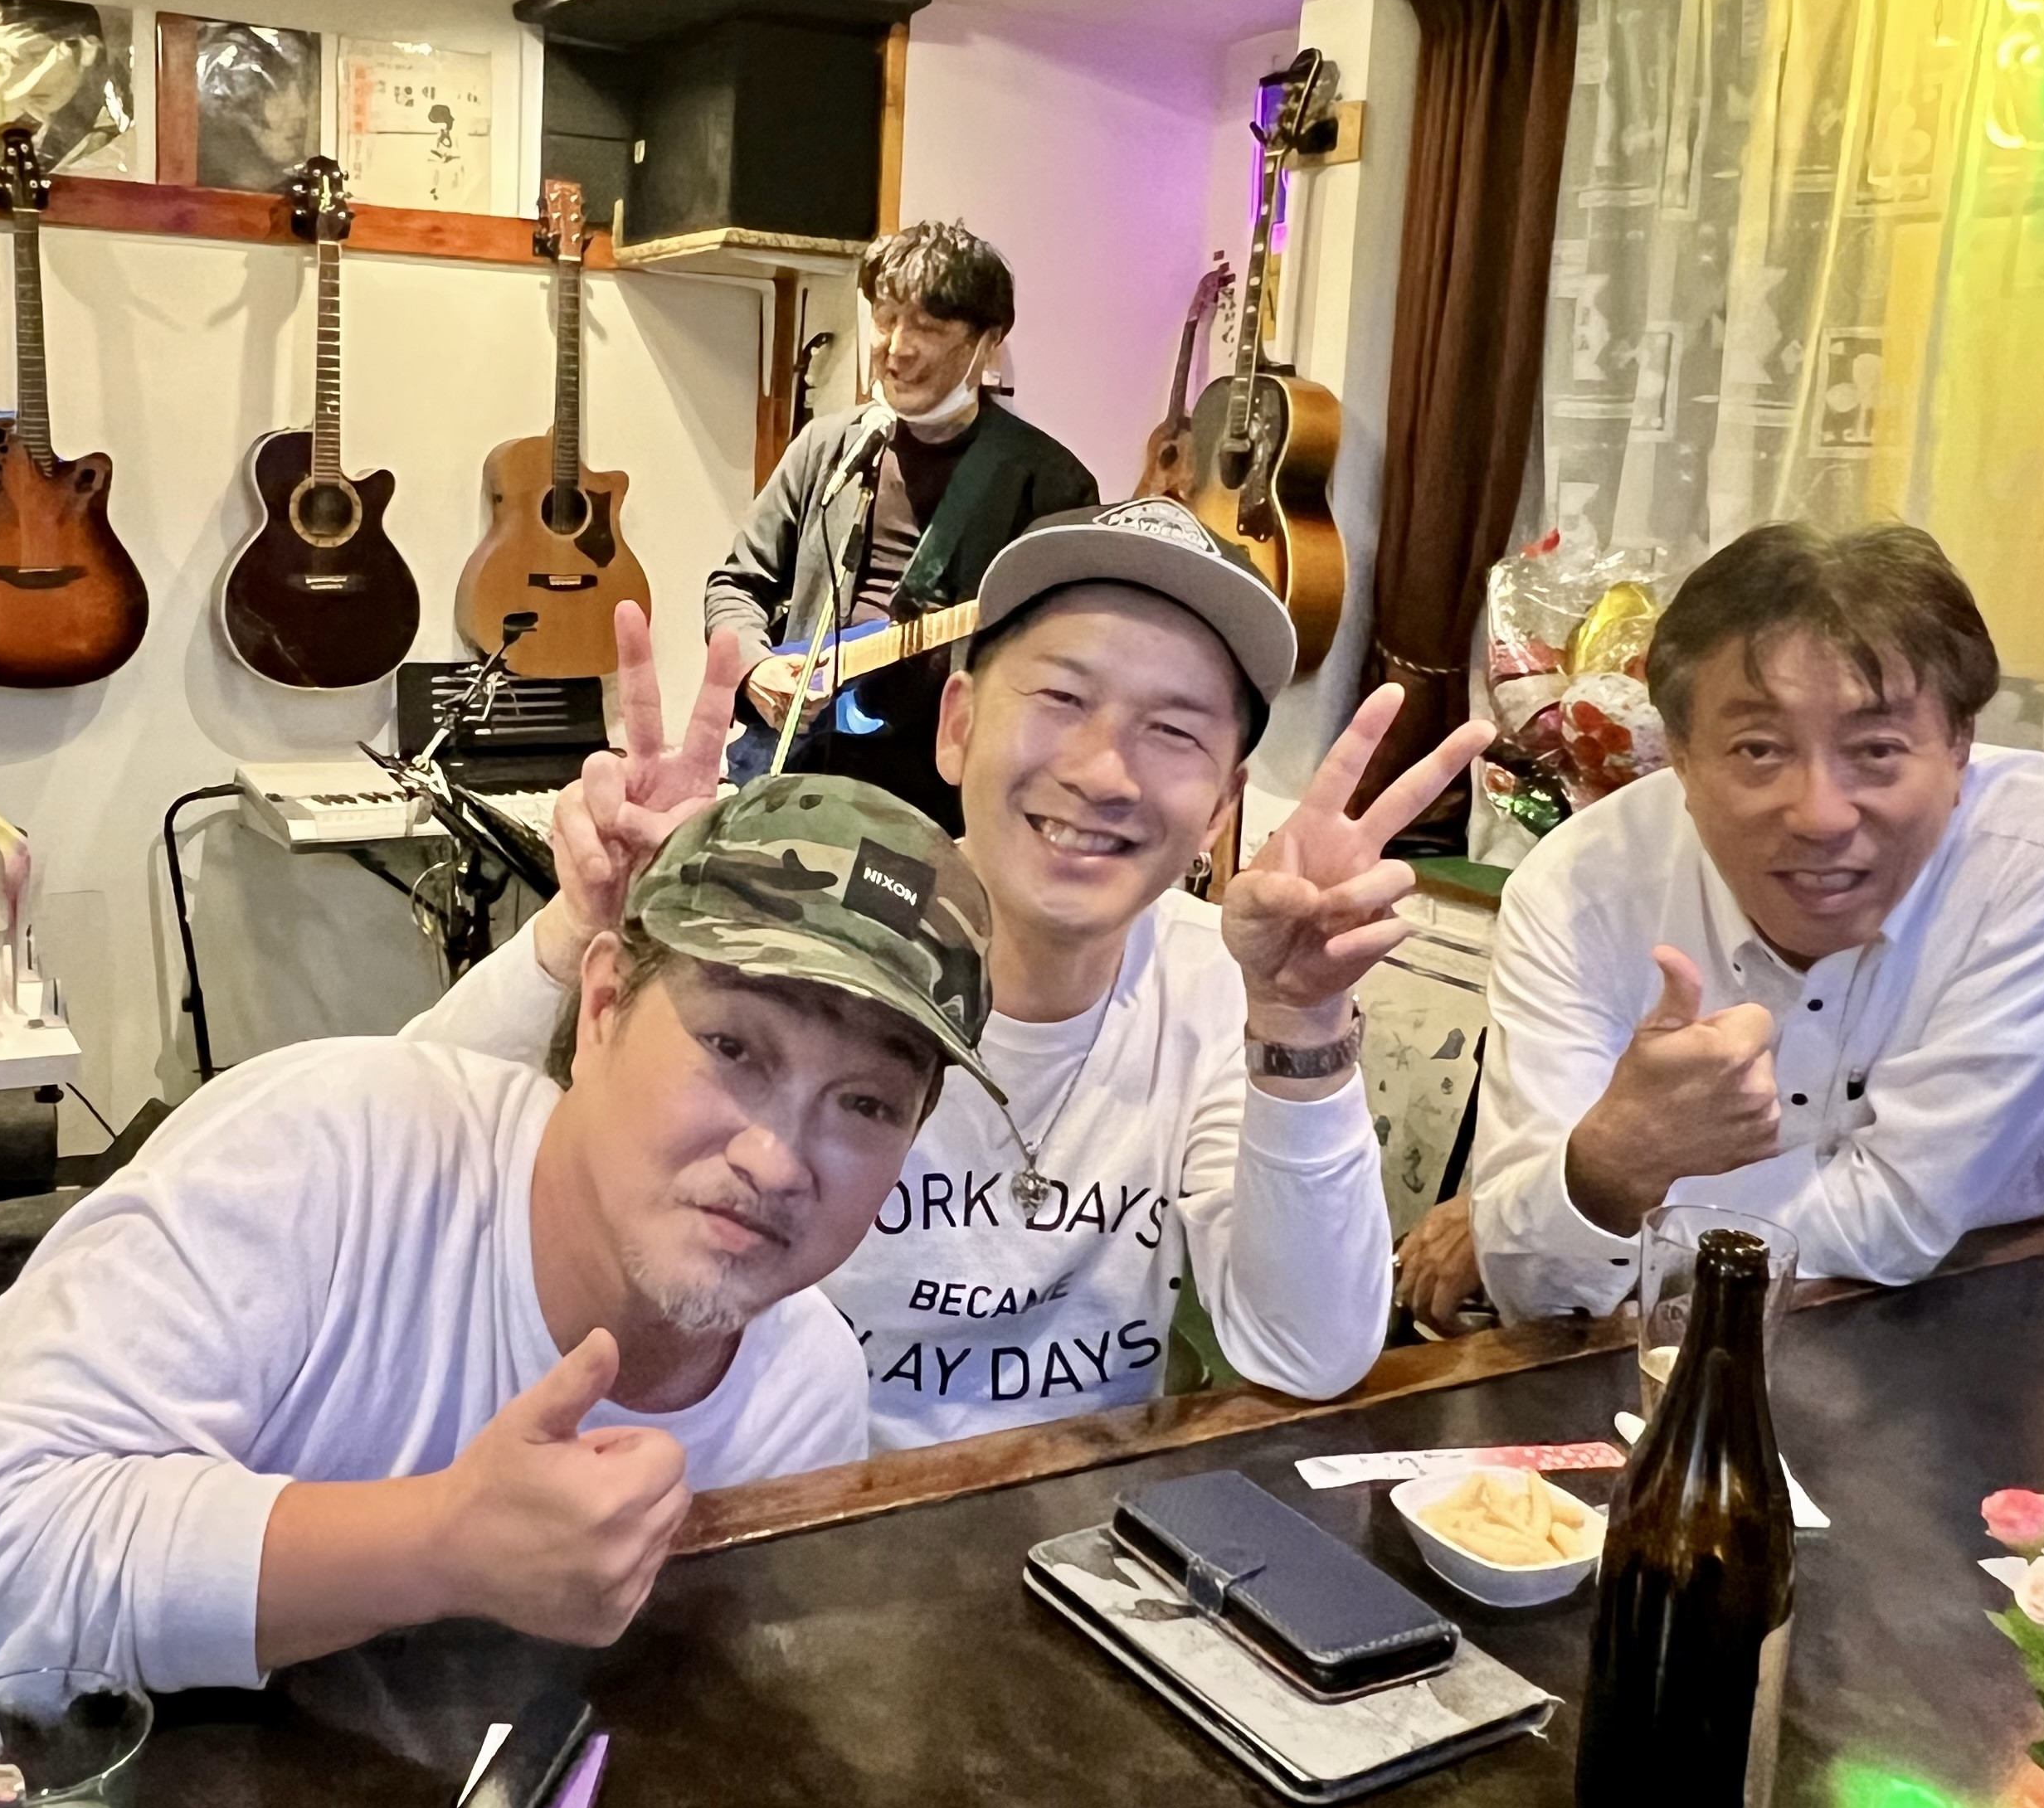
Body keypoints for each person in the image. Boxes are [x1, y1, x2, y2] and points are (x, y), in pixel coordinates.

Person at [413, 501, 1492, 1453]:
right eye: (1061, 697)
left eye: (1172, 731)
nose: (1102, 771)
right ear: (959, 725)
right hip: (768, 1505)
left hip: (1072, 1546)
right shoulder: (808, 921)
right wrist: (584, 925)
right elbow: (420, 1167)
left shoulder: (1223, 985)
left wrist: (1301, 1022)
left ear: (1220, 806)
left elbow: (1308, 1353)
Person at [0, 776, 995, 1694]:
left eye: (866, 1105)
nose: (777, 1158)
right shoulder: (329, 1157)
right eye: (734, 1048)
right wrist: (434, 1544)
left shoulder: (804, 1392)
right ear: (602, 1010)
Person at [1403, 520, 2044, 1329]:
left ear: (1959, 747)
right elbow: (1535, 1284)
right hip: (1664, 1323)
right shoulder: (1579, 887)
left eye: (1876, 750)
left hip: (2027, 1285)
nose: (1820, 815)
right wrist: (1600, 1172)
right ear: (1680, 757)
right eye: (1759, 750)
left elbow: (1899, 1211)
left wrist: (1578, 1208)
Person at [710, 221, 1099, 829]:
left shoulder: (1048, 484)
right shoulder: (827, 448)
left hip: (945, 808)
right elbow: (736, 584)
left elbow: (1065, 660)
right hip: (797, 774)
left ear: (988, 342)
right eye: (885, 319)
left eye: (928, 328)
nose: (897, 348)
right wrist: (755, 668)